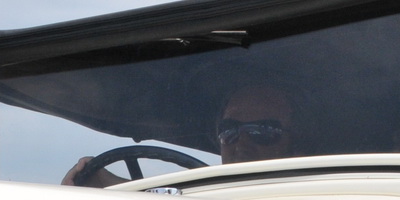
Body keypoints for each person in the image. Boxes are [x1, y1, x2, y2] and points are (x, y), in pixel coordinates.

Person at [63, 84, 296, 187]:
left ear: (295, 142)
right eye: (229, 130)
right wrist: (105, 183)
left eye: (262, 130)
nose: (241, 142)